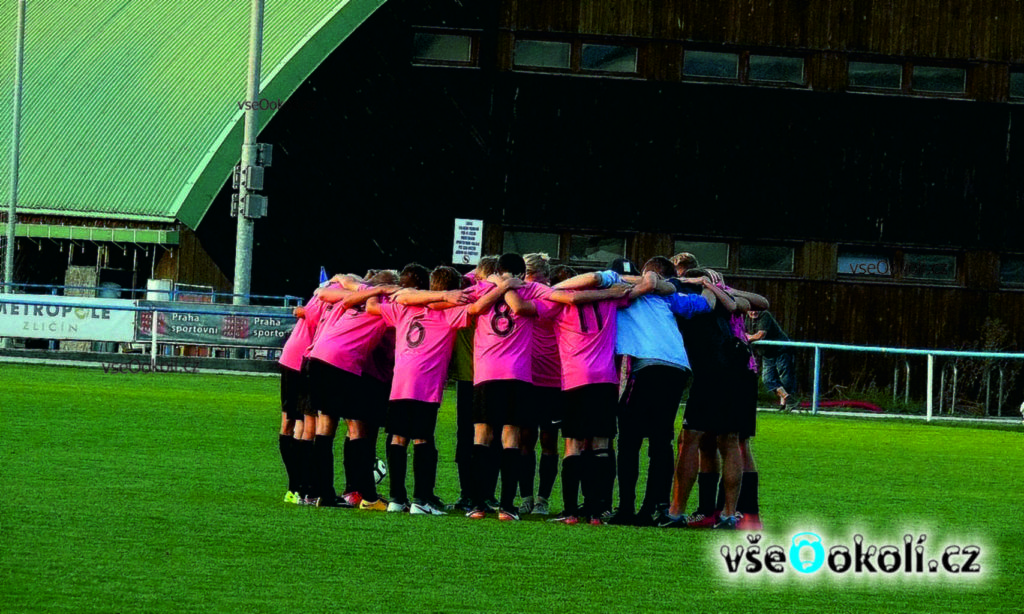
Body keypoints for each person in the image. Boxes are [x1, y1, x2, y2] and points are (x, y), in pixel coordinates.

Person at [368, 266, 516, 516]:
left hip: (400, 383)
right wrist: (503, 287)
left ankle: (396, 499)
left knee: (397, 438)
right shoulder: (450, 313)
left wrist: (377, 288)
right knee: (422, 439)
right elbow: (477, 308)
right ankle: (421, 501)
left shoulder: (405, 306)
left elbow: (373, 306)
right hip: (426, 386)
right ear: (453, 290)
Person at [465, 253, 558, 522]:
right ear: (522, 273)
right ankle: (507, 506)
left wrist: (496, 283)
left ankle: (477, 503)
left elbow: (466, 289)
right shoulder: (535, 290)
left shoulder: (483, 287)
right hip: (517, 375)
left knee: (481, 436)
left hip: (485, 373)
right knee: (511, 437)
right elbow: (552, 299)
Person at [660, 269, 748, 529]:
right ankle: (729, 514)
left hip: (708, 373)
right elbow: (757, 301)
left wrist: (694, 285)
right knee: (729, 441)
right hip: (736, 371)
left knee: (690, 439)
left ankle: (676, 512)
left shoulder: (692, 301)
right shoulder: (724, 299)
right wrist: (713, 286)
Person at [516, 254, 568, 516]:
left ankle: (543, 499)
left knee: (549, 440)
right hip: (525, 377)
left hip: (553, 377)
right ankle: (525, 496)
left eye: (535, 279)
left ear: (546, 278)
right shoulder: (515, 294)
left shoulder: (552, 298)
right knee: (525, 438)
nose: (531, 284)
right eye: (526, 278)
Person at [746, 309, 797, 409]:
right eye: (751, 311)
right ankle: (788, 398)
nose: (753, 313)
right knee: (767, 379)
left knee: (785, 378)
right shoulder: (747, 319)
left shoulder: (765, 315)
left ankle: (785, 405)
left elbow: (761, 335)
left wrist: (748, 338)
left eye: (756, 310)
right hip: (767, 353)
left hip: (781, 350)